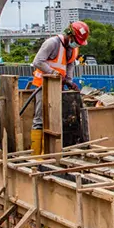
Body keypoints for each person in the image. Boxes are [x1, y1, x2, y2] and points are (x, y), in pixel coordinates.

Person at [29, 21, 89, 154]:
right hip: (42, 85)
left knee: (59, 118)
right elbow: (37, 61)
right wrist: (53, 73)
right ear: (69, 34)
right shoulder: (53, 43)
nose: (77, 44)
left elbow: (70, 64)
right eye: (76, 41)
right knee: (40, 119)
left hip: (59, 86)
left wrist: (68, 80)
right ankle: (36, 155)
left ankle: (54, 152)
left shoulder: (74, 48)